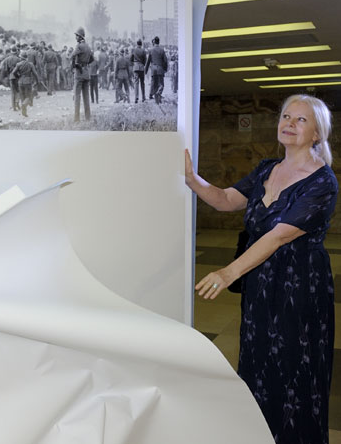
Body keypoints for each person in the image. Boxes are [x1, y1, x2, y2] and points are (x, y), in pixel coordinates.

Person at [185, 95, 337, 444]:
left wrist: (228, 273)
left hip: (299, 285)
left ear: (317, 133)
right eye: (286, 116)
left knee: (295, 365)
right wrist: (194, 180)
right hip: (260, 285)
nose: (289, 124)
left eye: (301, 120)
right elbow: (226, 200)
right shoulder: (267, 168)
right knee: (258, 360)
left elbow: (278, 236)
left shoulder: (323, 182)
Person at [71, 27, 94, 122]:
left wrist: (75, 65)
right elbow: (92, 59)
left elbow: (72, 55)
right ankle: (88, 118)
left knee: (77, 97)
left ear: (80, 37)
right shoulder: (88, 46)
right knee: (86, 97)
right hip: (86, 72)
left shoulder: (79, 46)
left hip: (79, 73)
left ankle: (76, 119)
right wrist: (86, 63)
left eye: (76, 36)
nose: (75, 37)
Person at [144, 36, 168, 103]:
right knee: (161, 84)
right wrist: (165, 69)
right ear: (159, 42)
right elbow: (165, 61)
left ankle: (151, 95)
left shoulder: (151, 50)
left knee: (153, 82)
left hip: (153, 69)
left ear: (154, 42)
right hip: (160, 68)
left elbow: (148, 62)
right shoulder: (162, 50)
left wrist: (145, 71)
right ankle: (158, 93)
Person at [130, 39, 147, 103]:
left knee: (136, 83)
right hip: (141, 67)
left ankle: (136, 97)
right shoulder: (143, 50)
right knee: (142, 83)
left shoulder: (133, 50)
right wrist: (143, 64)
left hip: (136, 67)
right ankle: (143, 97)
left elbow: (131, 59)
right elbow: (145, 60)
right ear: (141, 44)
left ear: (137, 44)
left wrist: (134, 62)